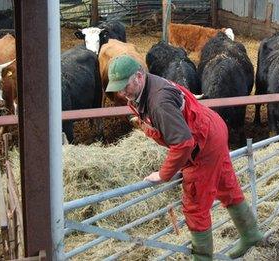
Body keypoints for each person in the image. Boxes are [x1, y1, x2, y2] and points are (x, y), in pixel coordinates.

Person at [105, 54, 263, 260]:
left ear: (139, 76)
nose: (121, 92)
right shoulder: (142, 90)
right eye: (117, 87)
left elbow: (183, 143)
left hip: (203, 144)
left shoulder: (159, 102)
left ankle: (203, 258)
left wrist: (164, 174)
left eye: (125, 86)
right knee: (226, 185)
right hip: (211, 129)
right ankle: (251, 234)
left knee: (195, 205)